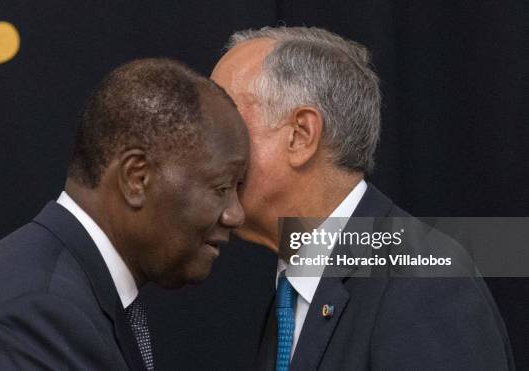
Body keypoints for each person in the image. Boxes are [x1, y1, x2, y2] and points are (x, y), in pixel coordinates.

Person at [211, 27, 515, 370]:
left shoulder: (423, 284)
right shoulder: (294, 288)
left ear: (301, 135)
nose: (203, 150)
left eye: (223, 122)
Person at [0, 58, 248, 370]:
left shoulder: (63, 290)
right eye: (221, 188)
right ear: (136, 178)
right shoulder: (37, 312)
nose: (235, 214)